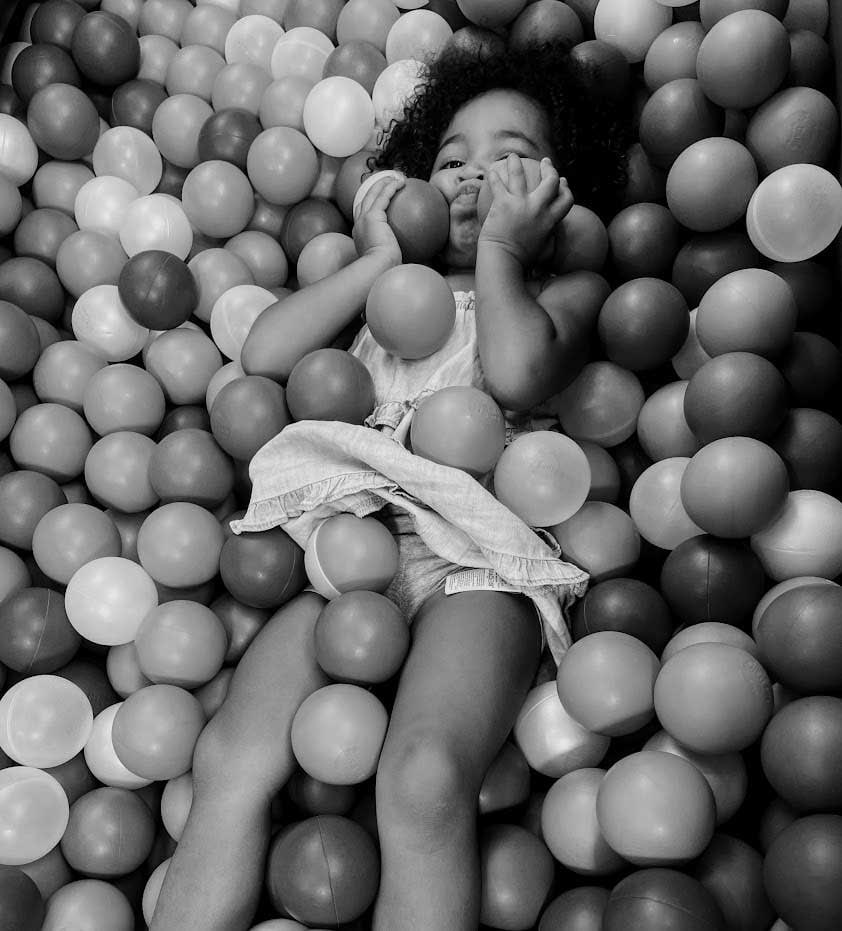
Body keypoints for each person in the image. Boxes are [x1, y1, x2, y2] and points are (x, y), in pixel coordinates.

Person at [150, 40, 632, 931]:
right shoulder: (385, 290)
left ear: (561, 192)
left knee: (423, 780)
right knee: (228, 754)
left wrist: (503, 249)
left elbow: (519, 374)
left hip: (478, 559)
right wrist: (377, 258)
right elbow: (266, 354)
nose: (473, 174)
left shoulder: (563, 289)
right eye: (450, 159)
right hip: (343, 547)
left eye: (511, 158)